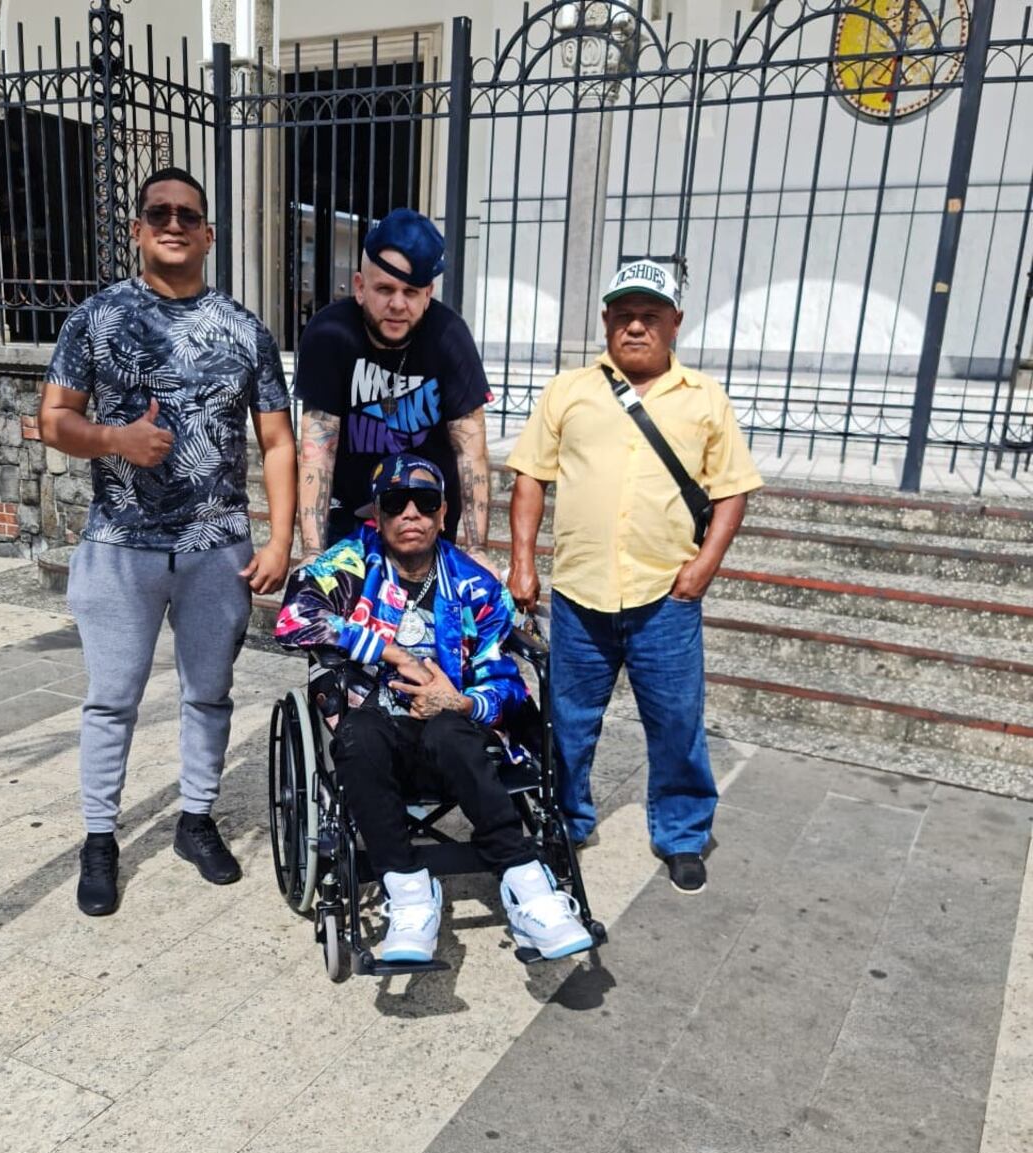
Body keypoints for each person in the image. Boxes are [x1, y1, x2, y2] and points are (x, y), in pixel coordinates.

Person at [39, 166, 297, 916]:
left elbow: (277, 441)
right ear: (139, 228)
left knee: (208, 695)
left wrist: (280, 540)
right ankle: (99, 840)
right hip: (120, 543)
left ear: (209, 233)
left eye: (188, 213)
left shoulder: (244, 328)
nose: (174, 223)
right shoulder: (96, 319)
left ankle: (194, 819)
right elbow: (53, 420)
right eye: (160, 212)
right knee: (111, 700)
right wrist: (117, 438)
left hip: (217, 544)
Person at [506, 259, 762, 895]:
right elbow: (531, 477)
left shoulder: (705, 399)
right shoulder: (569, 391)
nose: (636, 327)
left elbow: (731, 493)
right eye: (623, 316)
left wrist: (703, 568)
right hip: (580, 592)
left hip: (665, 597)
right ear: (605, 322)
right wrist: (522, 560)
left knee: (676, 721)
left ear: (676, 323)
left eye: (651, 316)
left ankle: (681, 834)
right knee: (566, 719)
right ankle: (566, 820)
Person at [274, 452, 593, 963]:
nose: (410, 515)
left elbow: (506, 682)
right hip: (375, 725)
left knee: (451, 731)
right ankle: (409, 896)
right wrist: (388, 650)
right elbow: (292, 620)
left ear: (443, 514)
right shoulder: (346, 566)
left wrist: (464, 700)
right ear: (375, 515)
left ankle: (531, 890)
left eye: (424, 503)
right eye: (395, 503)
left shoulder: (476, 585)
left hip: (453, 731)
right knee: (358, 740)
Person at [293, 207, 495, 568]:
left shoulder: (450, 337)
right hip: (351, 523)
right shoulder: (329, 335)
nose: (397, 304)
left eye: (411, 291)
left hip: (426, 522)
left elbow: (472, 453)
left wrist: (477, 547)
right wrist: (311, 551)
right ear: (359, 287)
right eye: (384, 289)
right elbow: (317, 450)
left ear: (428, 293)